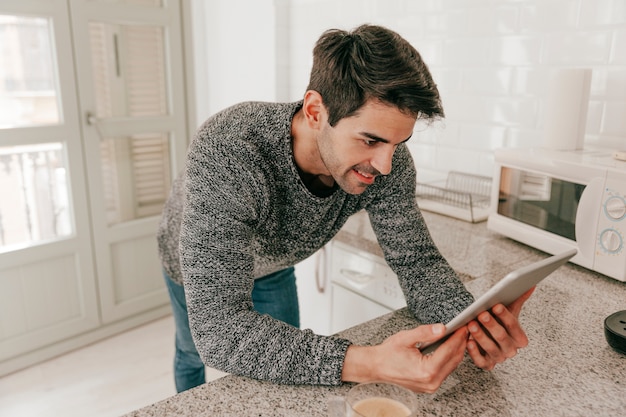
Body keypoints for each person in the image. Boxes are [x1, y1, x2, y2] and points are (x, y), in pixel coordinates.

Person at [157, 23, 532, 394]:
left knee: (278, 375)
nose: (385, 165)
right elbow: (219, 332)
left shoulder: (389, 163)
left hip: (273, 265)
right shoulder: (230, 149)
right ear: (316, 111)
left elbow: (417, 262)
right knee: (192, 351)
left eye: (398, 143)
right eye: (370, 140)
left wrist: (473, 323)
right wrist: (370, 362)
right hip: (190, 260)